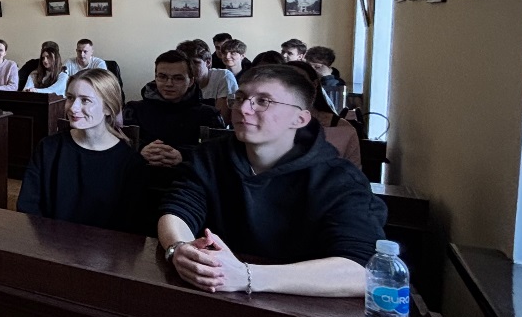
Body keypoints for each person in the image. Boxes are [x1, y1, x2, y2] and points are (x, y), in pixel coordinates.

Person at [158, 64, 386, 298]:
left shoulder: (338, 178)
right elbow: (178, 210)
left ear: (299, 119)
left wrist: (247, 275)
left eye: (263, 101)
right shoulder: (211, 156)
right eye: (240, 97)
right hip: (213, 294)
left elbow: (363, 271)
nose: (244, 109)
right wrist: (179, 248)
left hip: (300, 308)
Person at [17, 67, 147, 232]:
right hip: (49, 248)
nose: (73, 108)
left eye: (85, 100)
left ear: (108, 108)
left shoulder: (131, 164)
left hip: (104, 253)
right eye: (70, 98)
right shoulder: (48, 148)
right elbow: (28, 207)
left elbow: (132, 227)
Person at [121, 50, 224, 168]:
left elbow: (219, 153)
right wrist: (140, 150)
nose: (169, 84)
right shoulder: (133, 110)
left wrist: (184, 155)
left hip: (190, 179)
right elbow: (117, 145)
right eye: (162, 77)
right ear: (155, 77)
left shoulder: (209, 114)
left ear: (190, 81)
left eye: (178, 78)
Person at [176, 38, 237, 118]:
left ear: (208, 62)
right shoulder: (177, 80)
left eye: (195, 62)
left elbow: (221, 121)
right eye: (185, 63)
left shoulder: (223, 76)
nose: (190, 68)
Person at [306, 45, 347, 113]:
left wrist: (326, 77)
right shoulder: (307, 76)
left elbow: (332, 105)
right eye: (308, 65)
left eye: (316, 66)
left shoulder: (337, 83)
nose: (310, 69)